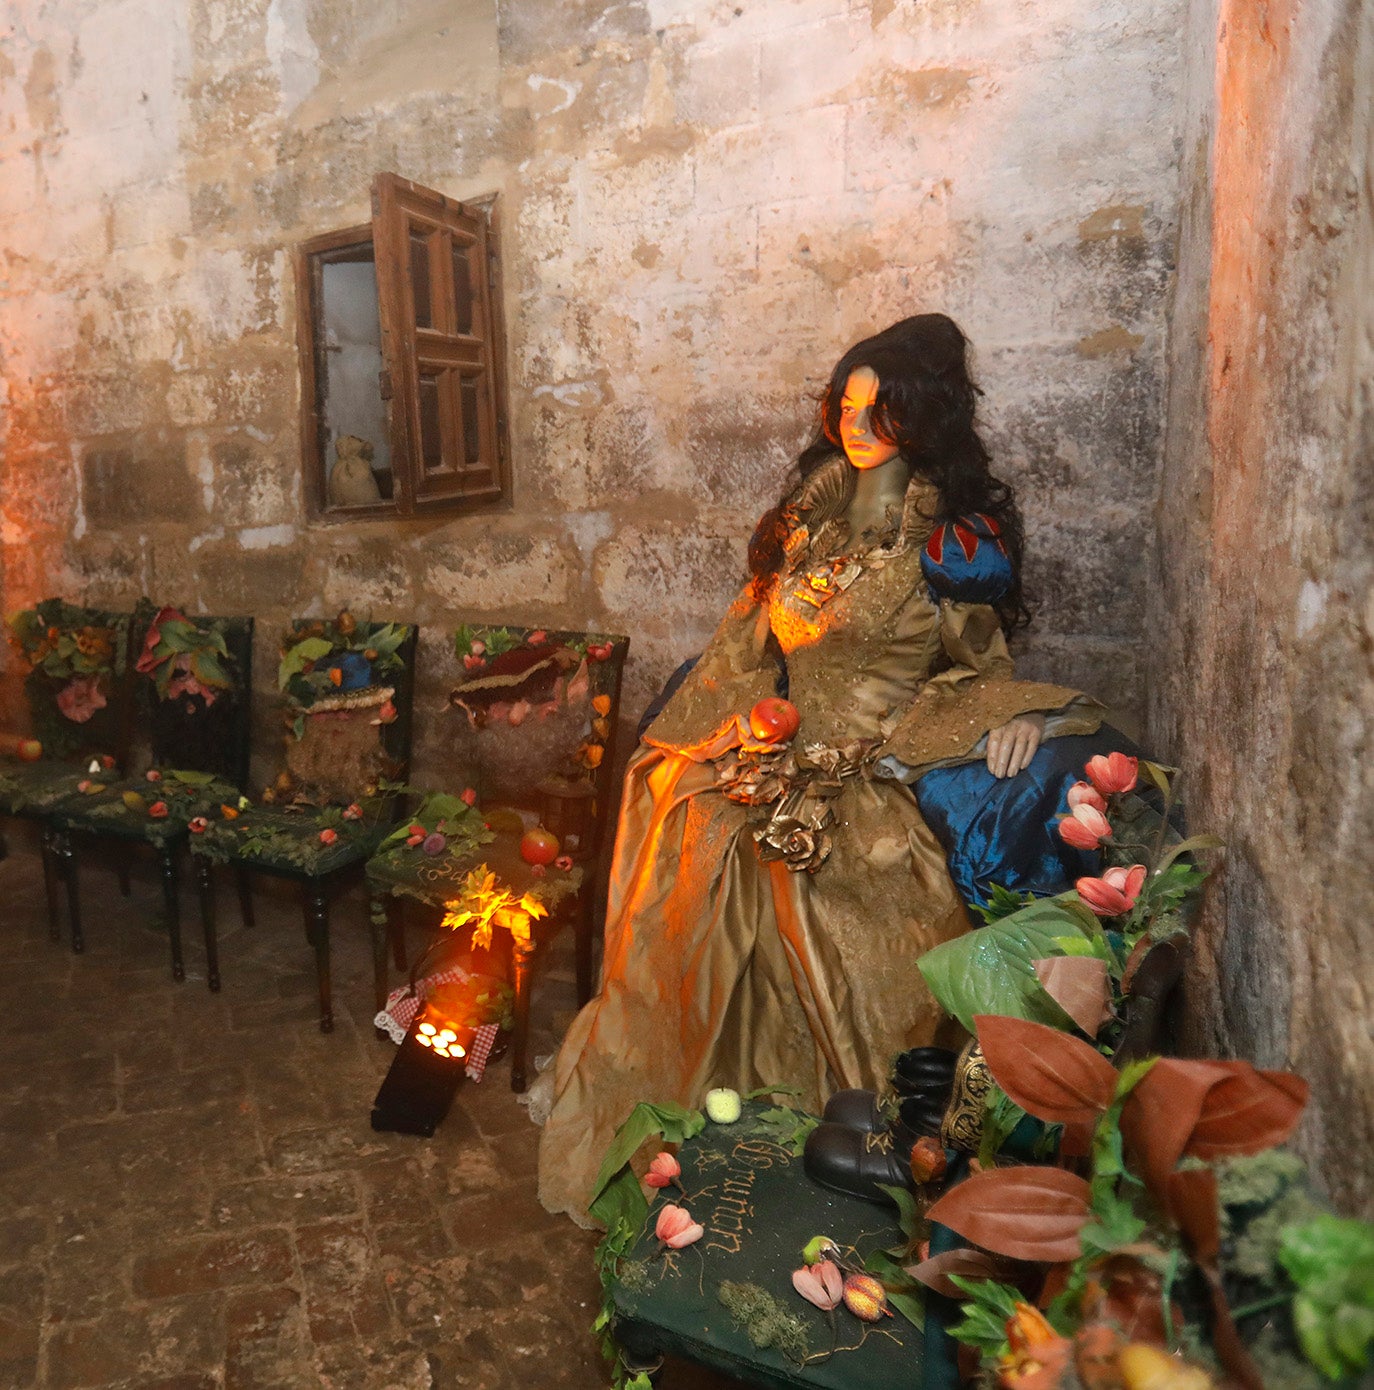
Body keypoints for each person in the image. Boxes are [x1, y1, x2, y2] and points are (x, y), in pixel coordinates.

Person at [536, 314, 1104, 1223]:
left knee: (833, 876)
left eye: (882, 411)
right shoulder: (809, 520)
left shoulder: (952, 540)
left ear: (925, 418)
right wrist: (728, 730)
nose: (858, 424)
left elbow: (974, 667)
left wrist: (1018, 713)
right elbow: (747, 648)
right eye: (848, 405)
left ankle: (859, 1144)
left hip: (870, 766)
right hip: (777, 744)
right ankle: (712, 1121)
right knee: (694, 819)